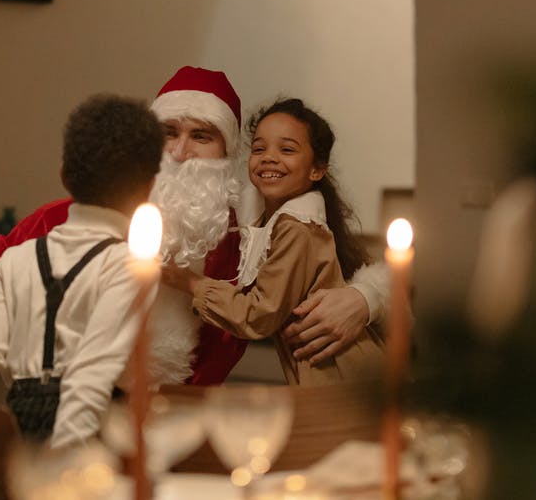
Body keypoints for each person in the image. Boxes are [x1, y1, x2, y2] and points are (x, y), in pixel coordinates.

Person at [0, 66, 390, 420]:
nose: (180, 151)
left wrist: (364, 298)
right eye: (167, 132)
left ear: (228, 154)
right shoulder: (72, 218)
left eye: (202, 136)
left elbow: (359, 269)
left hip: (181, 452)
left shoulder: (248, 250)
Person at [0, 95, 162, 447]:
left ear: (64, 177)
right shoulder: (129, 265)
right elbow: (91, 375)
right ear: (150, 187)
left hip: (20, 438)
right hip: (91, 442)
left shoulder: (16, 259)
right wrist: (61, 470)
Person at [165, 98, 385, 384]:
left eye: (287, 149)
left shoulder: (297, 227)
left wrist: (188, 281)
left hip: (346, 376)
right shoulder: (265, 222)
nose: (269, 157)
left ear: (317, 170)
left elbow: (259, 315)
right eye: (259, 148)